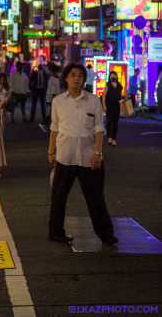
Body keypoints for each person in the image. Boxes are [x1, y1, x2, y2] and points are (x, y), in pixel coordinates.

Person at [48, 63, 117, 245]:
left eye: (79, 75)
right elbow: (54, 128)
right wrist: (50, 151)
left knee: (96, 199)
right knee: (58, 197)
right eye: (72, 75)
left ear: (84, 79)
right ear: (66, 78)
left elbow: (99, 128)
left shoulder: (93, 100)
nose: (76, 78)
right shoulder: (58, 102)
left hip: (89, 157)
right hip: (65, 156)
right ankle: (55, 232)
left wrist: (98, 152)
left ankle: (106, 234)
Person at [101, 71, 124, 146]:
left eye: (114, 75)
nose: (113, 77)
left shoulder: (119, 86)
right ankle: (109, 138)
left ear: (117, 77)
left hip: (116, 106)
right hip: (109, 106)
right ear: (109, 77)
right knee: (109, 122)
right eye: (111, 75)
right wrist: (104, 105)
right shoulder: (108, 85)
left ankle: (114, 139)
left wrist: (121, 106)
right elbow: (104, 95)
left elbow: (120, 97)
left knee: (115, 123)